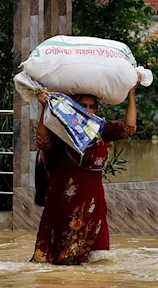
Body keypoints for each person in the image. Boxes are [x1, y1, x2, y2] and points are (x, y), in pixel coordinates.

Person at [31, 87, 136, 265]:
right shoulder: (62, 131)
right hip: (65, 204)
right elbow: (42, 140)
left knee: (97, 262)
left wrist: (131, 94)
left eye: (92, 107)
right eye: (83, 105)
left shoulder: (99, 129)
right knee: (62, 261)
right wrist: (44, 107)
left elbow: (128, 129)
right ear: (73, 107)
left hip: (94, 205)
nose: (88, 110)